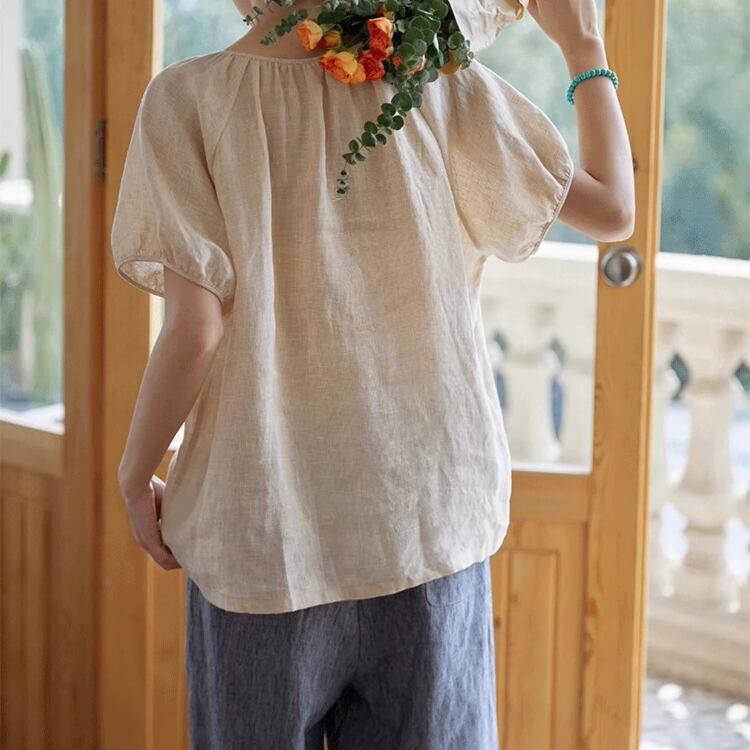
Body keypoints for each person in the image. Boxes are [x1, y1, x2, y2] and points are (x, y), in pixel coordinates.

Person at [110, 0, 634, 746]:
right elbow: (613, 208)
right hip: (423, 523)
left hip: (263, 536)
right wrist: (584, 46)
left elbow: (194, 331)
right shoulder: (434, 81)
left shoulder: (185, 100)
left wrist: (136, 475)